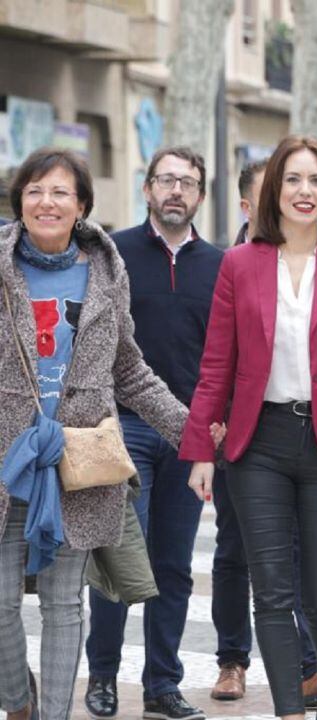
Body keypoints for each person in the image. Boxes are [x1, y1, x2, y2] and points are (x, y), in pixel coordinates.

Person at [181, 135, 317, 720]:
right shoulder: (239, 264)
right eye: (294, 179)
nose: (306, 192)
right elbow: (216, 365)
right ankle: (289, 712)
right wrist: (202, 448)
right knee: (270, 593)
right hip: (259, 447)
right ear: (273, 189)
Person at [0, 148, 189, 720]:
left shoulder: (107, 269)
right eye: (34, 191)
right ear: (20, 203)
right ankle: (17, 698)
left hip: (80, 462)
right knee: (3, 604)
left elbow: (127, 368)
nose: (46, 202)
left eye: (60, 192)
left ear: (81, 204)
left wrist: (193, 432)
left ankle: (54, 715)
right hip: (9, 460)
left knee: (63, 604)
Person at [79, 146, 220, 720]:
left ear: (201, 196)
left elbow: (225, 353)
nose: (175, 191)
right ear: (146, 189)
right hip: (124, 428)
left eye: (187, 182)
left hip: (187, 433)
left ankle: (162, 684)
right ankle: (104, 678)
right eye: (165, 180)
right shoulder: (113, 255)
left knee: (173, 566)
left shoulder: (219, 264)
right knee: (115, 556)